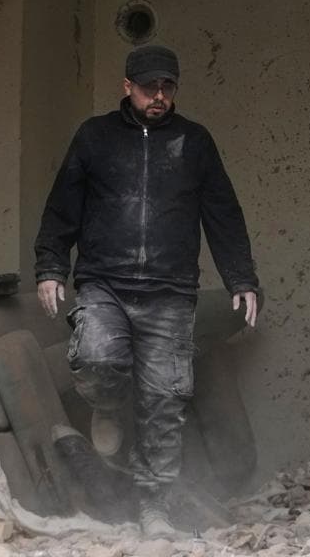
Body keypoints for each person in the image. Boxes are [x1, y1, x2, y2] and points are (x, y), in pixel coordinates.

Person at [34, 44, 260, 537]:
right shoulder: (94, 138)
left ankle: (153, 507)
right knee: (95, 356)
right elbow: (61, 208)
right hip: (104, 284)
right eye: (149, 86)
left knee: (164, 401)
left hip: (170, 292)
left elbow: (223, 213)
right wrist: (51, 266)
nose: (159, 95)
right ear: (127, 87)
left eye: (168, 87)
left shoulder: (194, 143)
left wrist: (241, 278)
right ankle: (109, 406)